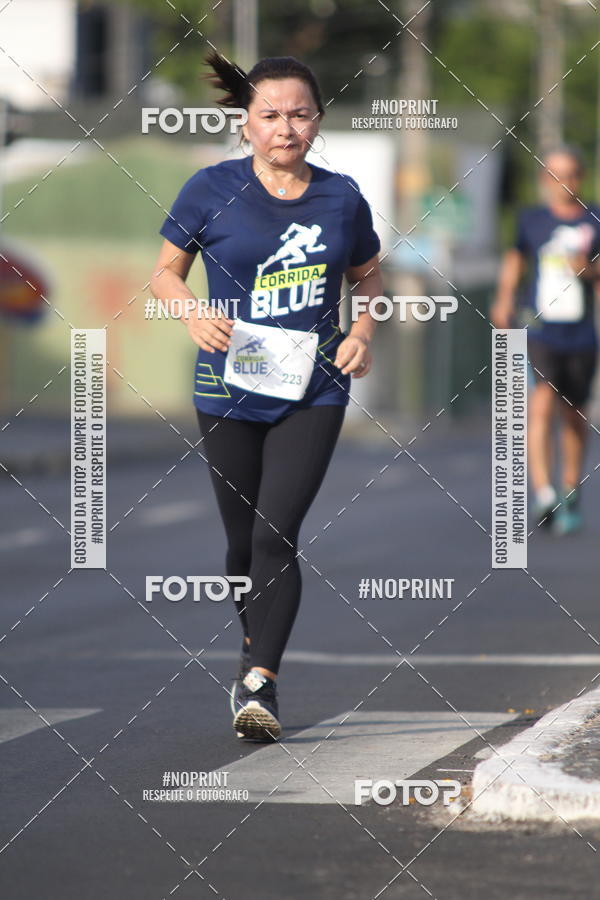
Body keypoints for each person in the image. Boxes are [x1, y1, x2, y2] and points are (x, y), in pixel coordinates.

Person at [150, 52, 382, 741]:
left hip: (314, 386)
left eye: (300, 114)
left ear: (318, 120)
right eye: (271, 115)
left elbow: (369, 276)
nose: (286, 127)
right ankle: (253, 656)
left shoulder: (342, 197)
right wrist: (191, 313)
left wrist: (364, 330)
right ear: (247, 123)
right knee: (241, 544)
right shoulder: (209, 188)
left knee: (275, 532)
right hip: (225, 385)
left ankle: (260, 682)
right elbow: (164, 274)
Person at [491, 146, 600, 535]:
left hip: (582, 332)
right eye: (554, 175)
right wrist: (503, 300)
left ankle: (570, 485)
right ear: (544, 181)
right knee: (539, 404)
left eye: (570, 174)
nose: (563, 183)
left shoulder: (595, 218)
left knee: (574, 414)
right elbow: (515, 259)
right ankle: (542, 491)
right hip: (537, 327)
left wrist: (587, 270)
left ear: (580, 177)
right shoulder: (531, 220)